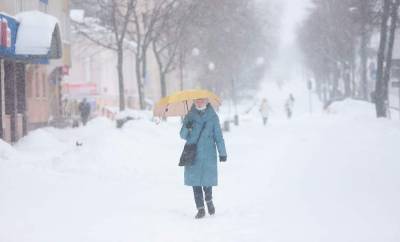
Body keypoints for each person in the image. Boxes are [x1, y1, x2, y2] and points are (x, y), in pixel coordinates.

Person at [180, 98, 227, 219]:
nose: (199, 102)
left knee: (207, 181)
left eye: (202, 100)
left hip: (208, 154)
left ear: (206, 101)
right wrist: (187, 126)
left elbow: (219, 136)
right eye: (197, 100)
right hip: (193, 154)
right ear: (194, 102)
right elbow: (182, 135)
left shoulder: (213, 117)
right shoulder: (189, 116)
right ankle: (200, 209)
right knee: (195, 183)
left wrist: (222, 152)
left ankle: (209, 200)